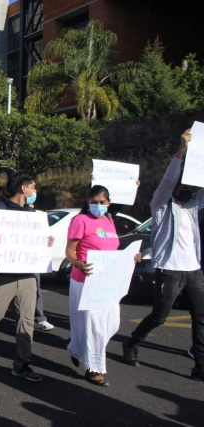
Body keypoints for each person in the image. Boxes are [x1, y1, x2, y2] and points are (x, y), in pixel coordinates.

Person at [122, 128, 204, 382]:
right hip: (169, 268)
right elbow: (168, 181)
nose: (190, 188)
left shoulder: (195, 203)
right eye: (186, 184)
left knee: (201, 318)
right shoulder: (161, 204)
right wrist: (181, 150)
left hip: (194, 270)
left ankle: (200, 366)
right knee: (160, 315)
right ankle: (132, 342)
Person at [0, 170, 54, 382]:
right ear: (23, 189)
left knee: (26, 321)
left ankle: (22, 364)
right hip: (1, 275)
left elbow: (38, 242)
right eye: (33, 187)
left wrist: (46, 242)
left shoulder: (34, 216)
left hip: (27, 276)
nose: (35, 191)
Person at [66, 185, 142, 386]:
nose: (98, 206)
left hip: (108, 283)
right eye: (94, 202)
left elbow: (112, 250)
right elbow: (70, 251)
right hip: (86, 282)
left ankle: (75, 347)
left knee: (111, 325)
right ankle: (93, 369)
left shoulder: (108, 221)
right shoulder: (80, 221)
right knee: (95, 327)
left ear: (108, 203)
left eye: (102, 202)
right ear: (87, 202)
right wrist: (77, 263)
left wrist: (131, 256)